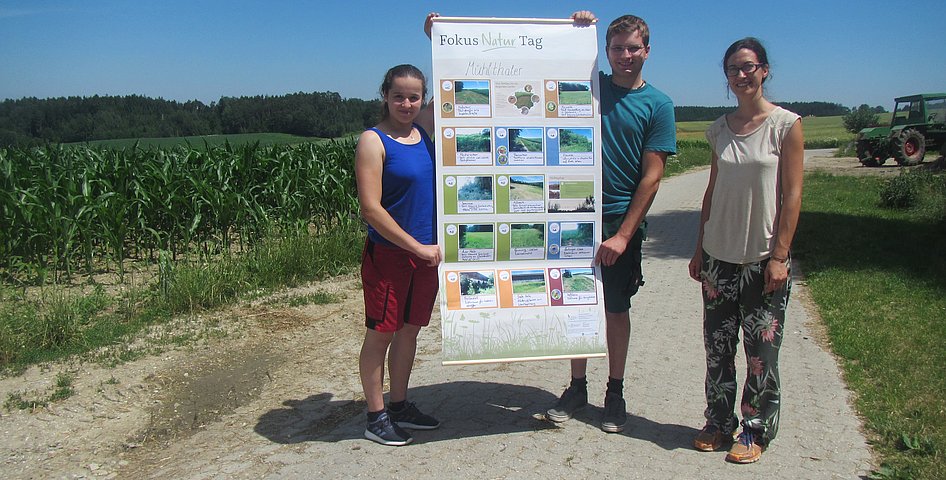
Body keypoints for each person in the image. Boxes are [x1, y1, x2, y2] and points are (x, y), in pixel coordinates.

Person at [545, 11, 677, 433]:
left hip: (620, 218)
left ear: (647, 51)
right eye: (617, 48)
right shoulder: (588, 87)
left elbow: (652, 177)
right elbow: (542, 64)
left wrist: (623, 234)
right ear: (606, 52)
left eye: (633, 48)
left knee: (616, 310)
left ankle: (615, 391)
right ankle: (576, 387)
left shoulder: (658, 104)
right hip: (572, 212)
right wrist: (577, 27)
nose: (625, 55)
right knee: (576, 304)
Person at [687, 37, 804, 463]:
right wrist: (699, 249)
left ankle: (754, 430)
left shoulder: (785, 125)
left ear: (765, 70)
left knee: (761, 353)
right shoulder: (719, 129)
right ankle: (718, 422)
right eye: (734, 69)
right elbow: (712, 190)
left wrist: (780, 256)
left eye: (749, 67)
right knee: (717, 348)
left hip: (761, 259)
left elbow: (792, 195)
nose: (741, 75)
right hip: (719, 257)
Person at [355, 64, 441, 446]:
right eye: (398, 96)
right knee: (382, 334)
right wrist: (416, 246)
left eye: (414, 97)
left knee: (409, 331)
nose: (406, 103)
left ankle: (401, 403)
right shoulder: (373, 141)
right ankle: (376, 416)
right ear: (385, 96)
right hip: (391, 255)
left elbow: (463, 81)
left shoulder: (423, 131)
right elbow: (371, 209)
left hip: (425, 257)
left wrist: (437, 34)